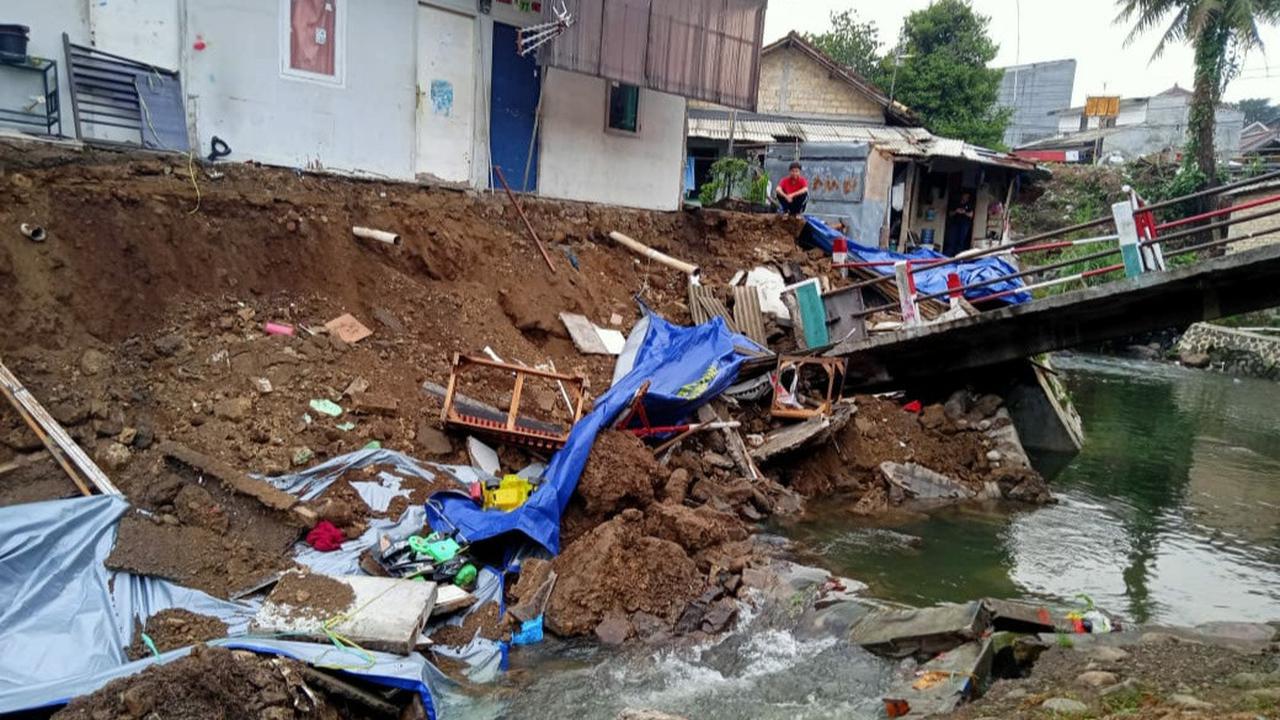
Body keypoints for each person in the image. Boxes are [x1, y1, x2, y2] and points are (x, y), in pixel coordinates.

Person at [943, 190, 975, 257]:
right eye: (965, 196)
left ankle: (958, 257)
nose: (966, 197)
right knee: (951, 241)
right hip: (954, 224)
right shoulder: (956, 203)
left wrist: (964, 212)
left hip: (964, 225)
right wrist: (956, 211)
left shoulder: (969, 204)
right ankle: (947, 257)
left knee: (961, 242)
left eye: (967, 196)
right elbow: (950, 214)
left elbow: (971, 215)